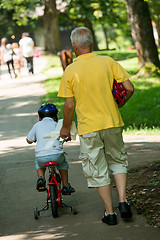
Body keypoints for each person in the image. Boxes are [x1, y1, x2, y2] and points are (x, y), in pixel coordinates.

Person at [58, 27, 134, 225]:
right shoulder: (108, 61)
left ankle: (110, 213)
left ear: (74, 46)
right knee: (118, 160)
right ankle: (123, 201)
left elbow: (69, 105)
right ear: (91, 43)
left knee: (97, 168)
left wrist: (65, 128)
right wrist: (120, 104)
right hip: (112, 122)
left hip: (89, 127)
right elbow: (129, 88)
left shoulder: (70, 70)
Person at [26, 103, 75, 195]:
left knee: (39, 164)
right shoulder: (57, 124)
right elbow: (66, 136)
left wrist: (36, 139)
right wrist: (67, 138)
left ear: (40, 117)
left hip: (41, 156)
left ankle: (41, 178)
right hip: (57, 155)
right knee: (63, 164)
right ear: (55, 116)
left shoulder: (37, 125)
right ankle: (65, 185)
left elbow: (28, 140)